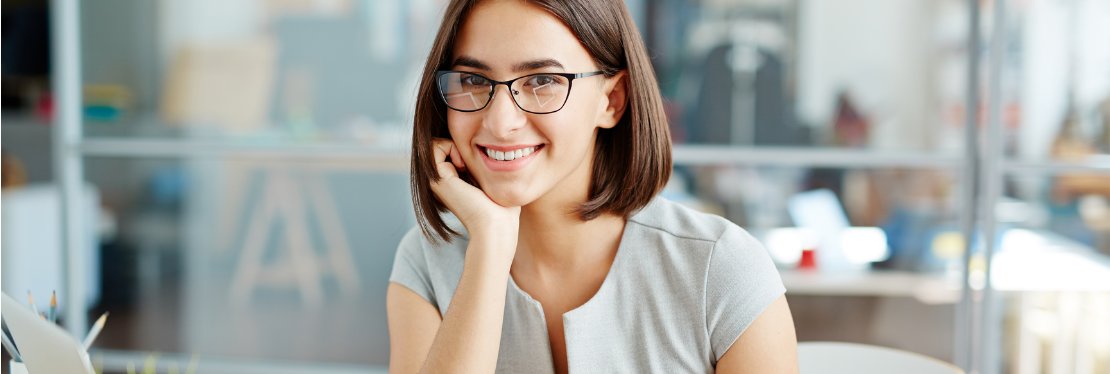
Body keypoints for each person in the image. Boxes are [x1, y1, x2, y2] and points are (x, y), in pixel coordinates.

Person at [387, 0, 798, 372]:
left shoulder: (720, 269)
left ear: (612, 100)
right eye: (473, 81)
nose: (500, 123)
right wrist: (489, 250)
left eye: (542, 81)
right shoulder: (427, 263)